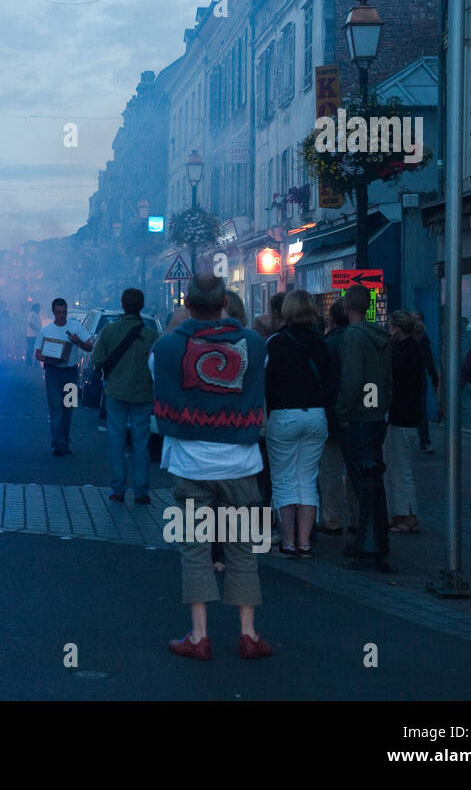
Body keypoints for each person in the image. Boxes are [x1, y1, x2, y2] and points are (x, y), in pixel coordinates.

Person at [154, 274, 271, 660]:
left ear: (187, 305)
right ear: (224, 304)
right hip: (240, 462)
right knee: (241, 548)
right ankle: (249, 634)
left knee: (195, 548)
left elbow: (159, 382)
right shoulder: (253, 344)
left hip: (192, 465)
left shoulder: (168, 347)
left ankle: (199, 635)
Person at [264, 290, 333, 557]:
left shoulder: (276, 342)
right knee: (307, 479)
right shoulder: (320, 343)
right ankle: (305, 543)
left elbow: (267, 383)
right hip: (315, 415)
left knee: (283, 480)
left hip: (283, 415)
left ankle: (288, 542)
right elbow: (329, 381)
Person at [336, 285, 393, 568]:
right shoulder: (380, 336)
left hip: (358, 416)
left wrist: (343, 411)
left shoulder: (353, 336)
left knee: (360, 480)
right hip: (376, 415)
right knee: (374, 479)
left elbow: (351, 378)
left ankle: (366, 539)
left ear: (347, 306)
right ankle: (377, 536)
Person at [90, 288, 157, 501]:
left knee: (117, 441)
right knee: (141, 443)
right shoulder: (151, 335)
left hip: (116, 392)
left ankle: (118, 489)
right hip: (143, 394)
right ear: (142, 305)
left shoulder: (110, 331)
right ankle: (141, 491)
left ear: (122, 304)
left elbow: (96, 359)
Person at [34, 298, 92, 457]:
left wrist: (77, 341)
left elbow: (89, 346)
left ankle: (64, 440)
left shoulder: (76, 327)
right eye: (58, 312)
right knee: (56, 408)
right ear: (53, 312)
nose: (61, 315)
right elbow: (38, 353)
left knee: (68, 409)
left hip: (71, 372)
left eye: (64, 312)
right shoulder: (46, 331)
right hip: (53, 372)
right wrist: (49, 359)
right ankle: (58, 444)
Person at [384, 310, 425, 534]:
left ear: (396, 328)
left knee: (400, 470)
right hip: (408, 416)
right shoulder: (414, 349)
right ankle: (401, 513)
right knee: (398, 469)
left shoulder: (402, 352)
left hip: (400, 417)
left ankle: (408, 516)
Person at [316, 298, 352, 535]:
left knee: (329, 471)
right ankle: (359, 518)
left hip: (330, 415)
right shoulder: (360, 342)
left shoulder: (327, 345)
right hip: (358, 416)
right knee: (355, 470)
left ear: (331, 319)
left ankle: (333, 519)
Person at [412, 311, 439, 452]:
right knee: (419, 410)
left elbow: (429, 362)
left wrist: (435, 380)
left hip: (416, 377)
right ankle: (424, 441)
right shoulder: (421, 340)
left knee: (420, 410)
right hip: (416, 377)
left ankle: (424, 441)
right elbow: (429, 362)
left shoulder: (420, 340)